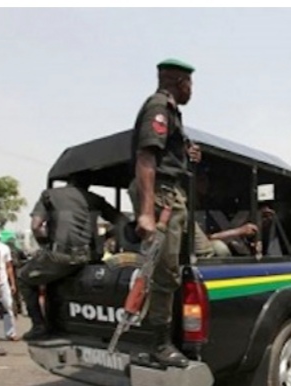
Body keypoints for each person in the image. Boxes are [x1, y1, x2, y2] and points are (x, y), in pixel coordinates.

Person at [127, 58, 201, 368]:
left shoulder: (172, 113)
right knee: (163, 272)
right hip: (162, 197)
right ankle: (159, 344)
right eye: (190, 84)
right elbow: (146, 157)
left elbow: (167, 156)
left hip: (171, 194)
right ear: (179, 82)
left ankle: (167, 337)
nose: (192, 91)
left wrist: (187, 154)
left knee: (176, 266)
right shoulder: (159, 106)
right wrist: (146, 213)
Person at [18, 172, 124, 340]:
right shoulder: (95, 199)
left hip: (60, 256)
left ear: (69, 180)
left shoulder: (50, 195)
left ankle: (39, 326)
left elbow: (36, 226)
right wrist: (105, 237)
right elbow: (121, 221)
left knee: (24, 278)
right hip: (88, 257)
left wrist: (46, 245)